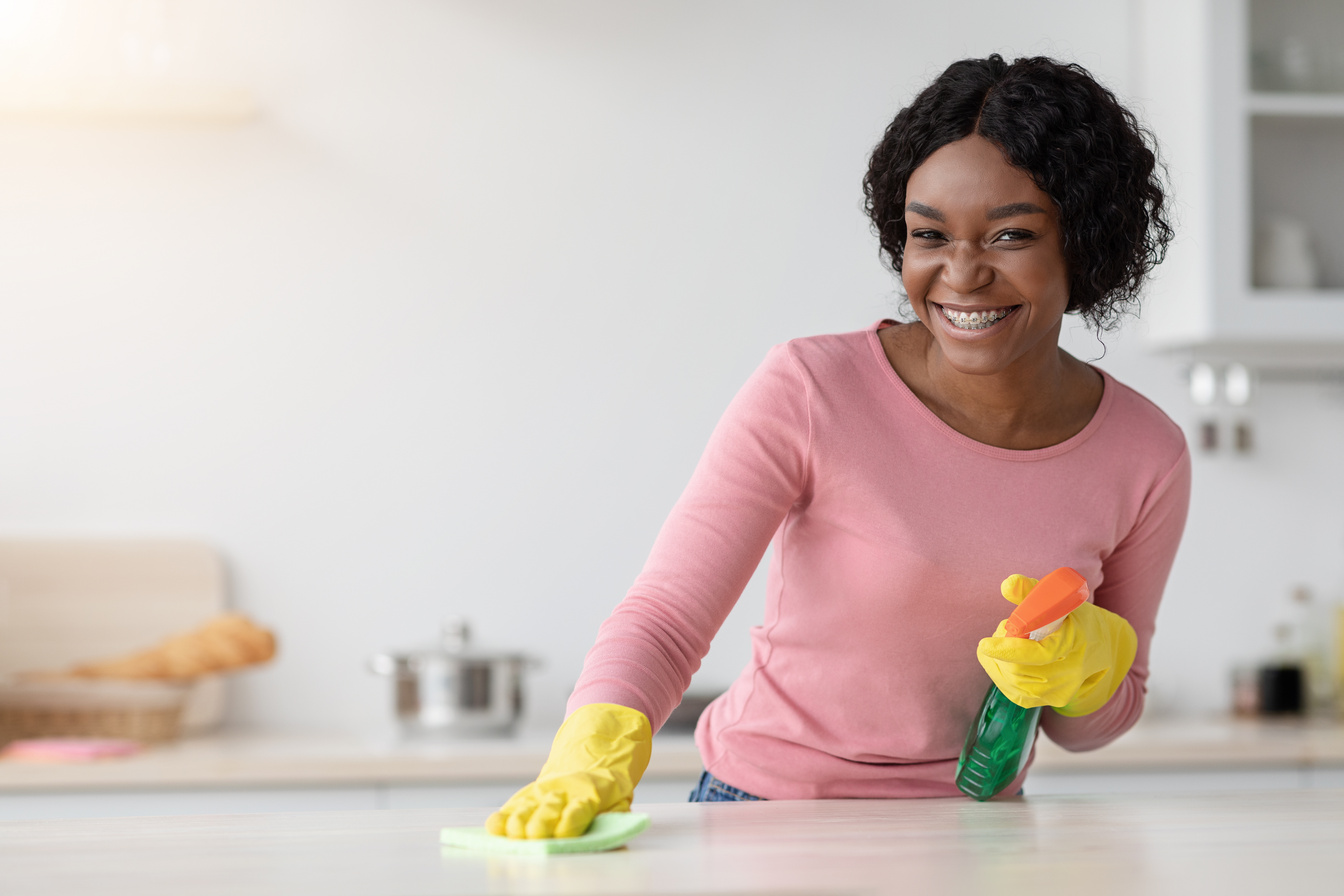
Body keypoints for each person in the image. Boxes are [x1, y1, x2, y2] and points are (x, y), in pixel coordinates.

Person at [488, 54, 1190, 839]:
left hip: (982, 836)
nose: (961, 274)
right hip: (766, 818)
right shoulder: (812, 388)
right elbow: (667, 616)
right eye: (930, 235)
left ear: (1086, 242)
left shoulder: (1144, 452)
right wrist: (591, 755)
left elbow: (1094, 726)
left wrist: (1090, 666)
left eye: (1010, 235)